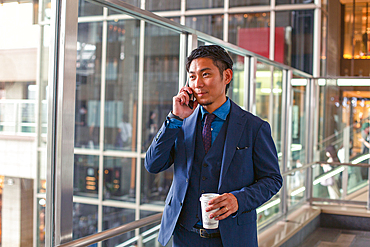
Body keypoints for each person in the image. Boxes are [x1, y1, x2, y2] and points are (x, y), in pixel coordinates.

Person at [144, 45, 282, 247]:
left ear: (226, 76)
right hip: (184, 237)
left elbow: (272, 179)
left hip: (232, 239)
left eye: (205, 74)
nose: (197, 83)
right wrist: (174, 119)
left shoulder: (254, 127)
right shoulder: (181, 123)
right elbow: (153, 164)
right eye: (192, 77)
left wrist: (239, 200)